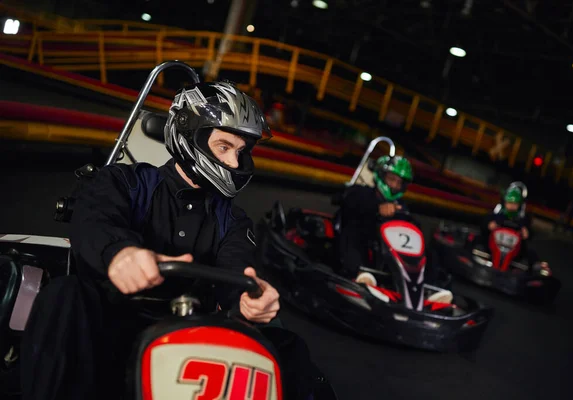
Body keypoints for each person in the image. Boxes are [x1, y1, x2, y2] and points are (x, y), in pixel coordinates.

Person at [20, 81, 318, 400]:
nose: (234, 163)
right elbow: (94, 220)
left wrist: (249, 300)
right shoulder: (124, 182)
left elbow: (238, 268)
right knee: (64, 294)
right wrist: (120, 254)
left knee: (288, 346)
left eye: (241, 152)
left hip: (190, 331)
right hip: (108, 322)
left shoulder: (232, 220)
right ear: (190, 136)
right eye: (224, 147)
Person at [337, 155, 451, 302]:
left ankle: (427, 290)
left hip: (388, 253)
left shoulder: (401, 206)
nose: (395, 186)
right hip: (364, 247)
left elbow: (412, 227)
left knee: (430, 254)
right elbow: (347, 201)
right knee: (355, 231)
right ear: (381, 176)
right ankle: (360, 278)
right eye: (392, 179)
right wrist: (377, 208)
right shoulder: (362, 192)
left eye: (399, 183)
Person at [482, 183, 540, 266]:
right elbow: (485, 223)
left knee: (532, 253)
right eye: (509, 203)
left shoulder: (522, 219)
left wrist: (527, 232)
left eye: (515, 204)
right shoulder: (497, 215)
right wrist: (489, 225)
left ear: (519, 205)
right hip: (494, 246)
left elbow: (530, 232)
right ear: (505, 202)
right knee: (476, 239)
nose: (512, 206)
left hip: (514, 249)